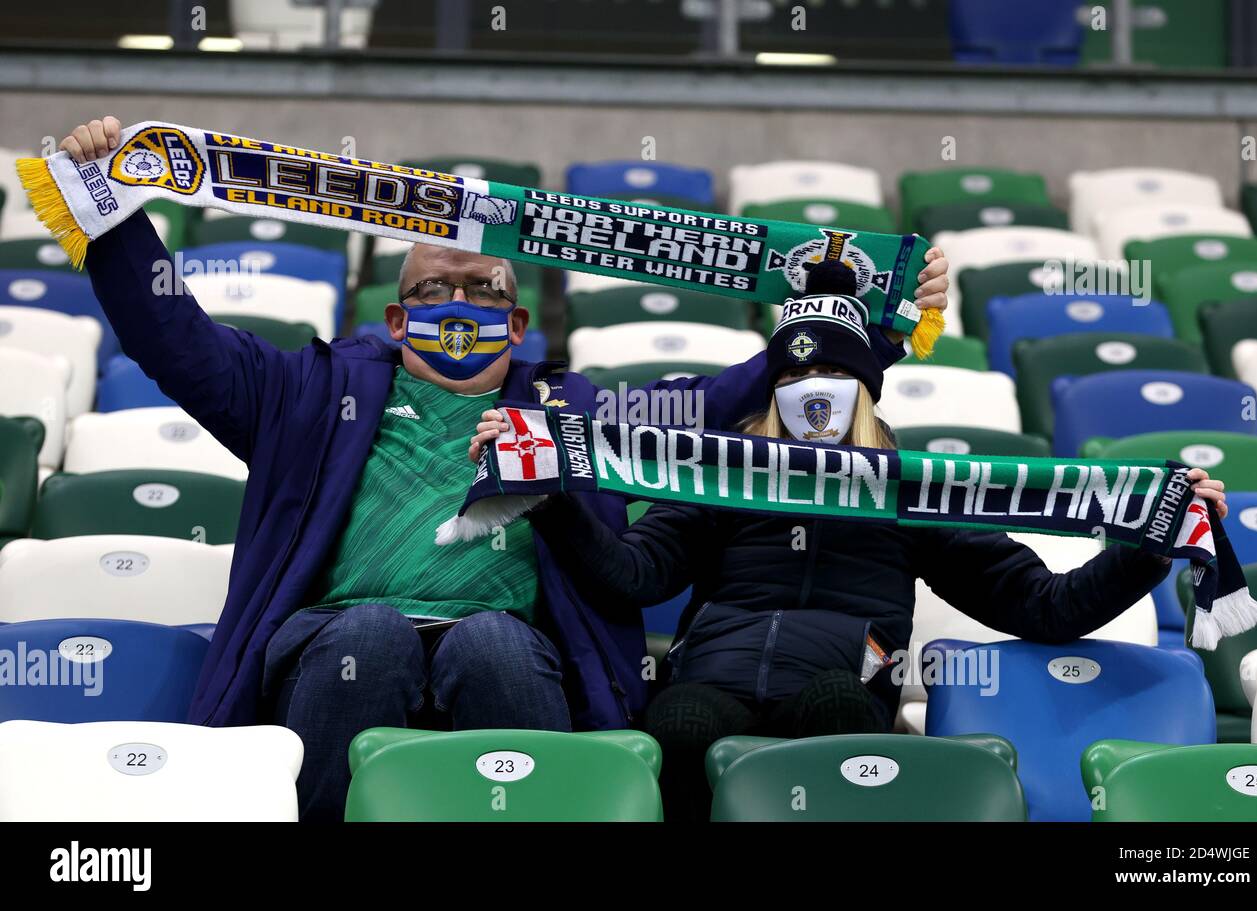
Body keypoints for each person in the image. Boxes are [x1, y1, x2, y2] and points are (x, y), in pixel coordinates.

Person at [59, 116, 951, 821]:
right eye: (433, 291)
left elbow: (724, 401)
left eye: (484, 289)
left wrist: (867, 317)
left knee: (490, 637)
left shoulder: (580, 411)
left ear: (519, 326)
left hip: (513, 650)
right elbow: (177, 343)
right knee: (369, 632)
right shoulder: (303, 389)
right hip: (333, 641)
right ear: (397, 319)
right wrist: (114, 219)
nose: (458, 305)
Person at [471, 260, 1231, 822]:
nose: (814, 387)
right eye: (798, 372)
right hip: (715, 678)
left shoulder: (915, 489)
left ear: (867, 384)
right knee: (683, 721)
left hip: (839, 684)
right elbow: (632, 574)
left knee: (838, 706)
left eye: (835, 369)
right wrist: (549, 496)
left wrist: (1149, 544)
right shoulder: (723, 471)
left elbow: (1043, 604)